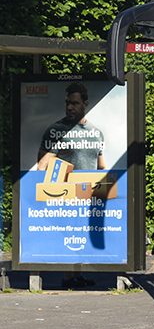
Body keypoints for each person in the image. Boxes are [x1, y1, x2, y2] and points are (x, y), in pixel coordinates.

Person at [37, 82, 105, 289]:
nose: (69, 107)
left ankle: (77, 274)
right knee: (71, 234)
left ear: (85, 104)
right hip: (66, 194)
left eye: (74, 103)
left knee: (82, 234)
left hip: (89, 193)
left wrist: (105, 191)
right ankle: (68, 277)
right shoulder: (56, 130)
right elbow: (42, 165)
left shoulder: (95, 133)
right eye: (67, 103)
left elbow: (101, 166)